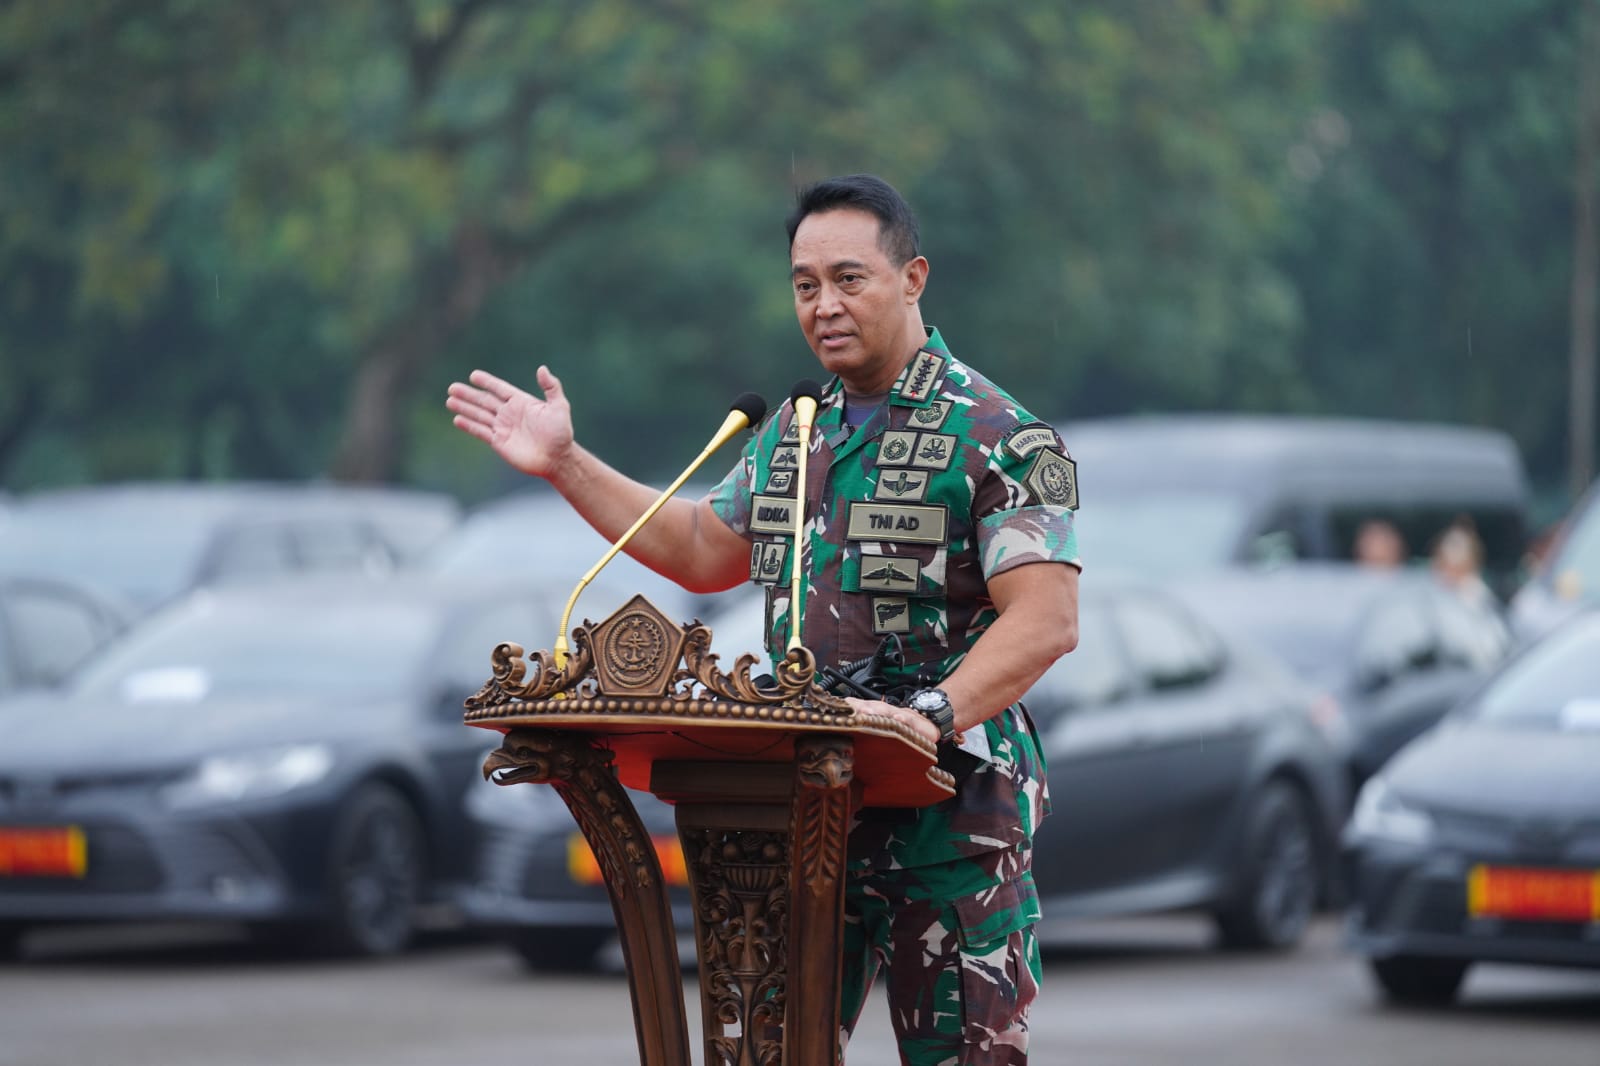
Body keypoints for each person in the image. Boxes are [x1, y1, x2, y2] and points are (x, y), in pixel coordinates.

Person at [446, 173, 1080, 1065]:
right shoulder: (795, 430)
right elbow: (705, 548)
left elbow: (1045, 619)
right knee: (768, 1056)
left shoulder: (1000, 435)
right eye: (805, 284)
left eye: (849, 279)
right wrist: (565, 463)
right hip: (805, 815)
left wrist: (928, 716)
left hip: (949, 820)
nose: (824, 305)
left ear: (913, 278)